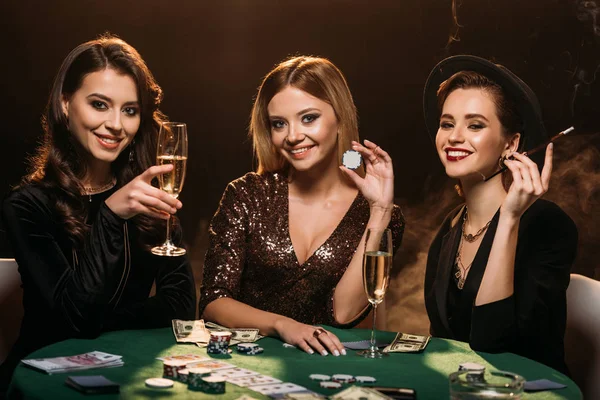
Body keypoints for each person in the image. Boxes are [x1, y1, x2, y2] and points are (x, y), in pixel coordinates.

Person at [0, 35, 196, 392]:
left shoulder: (148, 199)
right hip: (42, 382)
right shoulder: (27, 206)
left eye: (130, 110)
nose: (116, 124)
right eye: (99, 104)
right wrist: (110, 215)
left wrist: (104, 320)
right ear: (64, 104)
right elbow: (72, 321)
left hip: (129, 374)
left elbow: (181, 309)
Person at [199, 56, 404, 356]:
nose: (293, 136)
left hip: (327, 370)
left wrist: (380, 210)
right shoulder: (247, 194)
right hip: (250, 366)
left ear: (340, 119)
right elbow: (213, 302)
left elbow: (345, 313)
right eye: (279, 124)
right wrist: (283, 325)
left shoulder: (382, 216)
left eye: (309, 118)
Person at [422, 55, 578, 374]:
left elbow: (493, 344)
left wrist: (508, 219)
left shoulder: (548, 225)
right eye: (447, 123)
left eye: (475, 125)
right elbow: (443, 340)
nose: (454, 137)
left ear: (511, 144)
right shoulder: (450, 227)